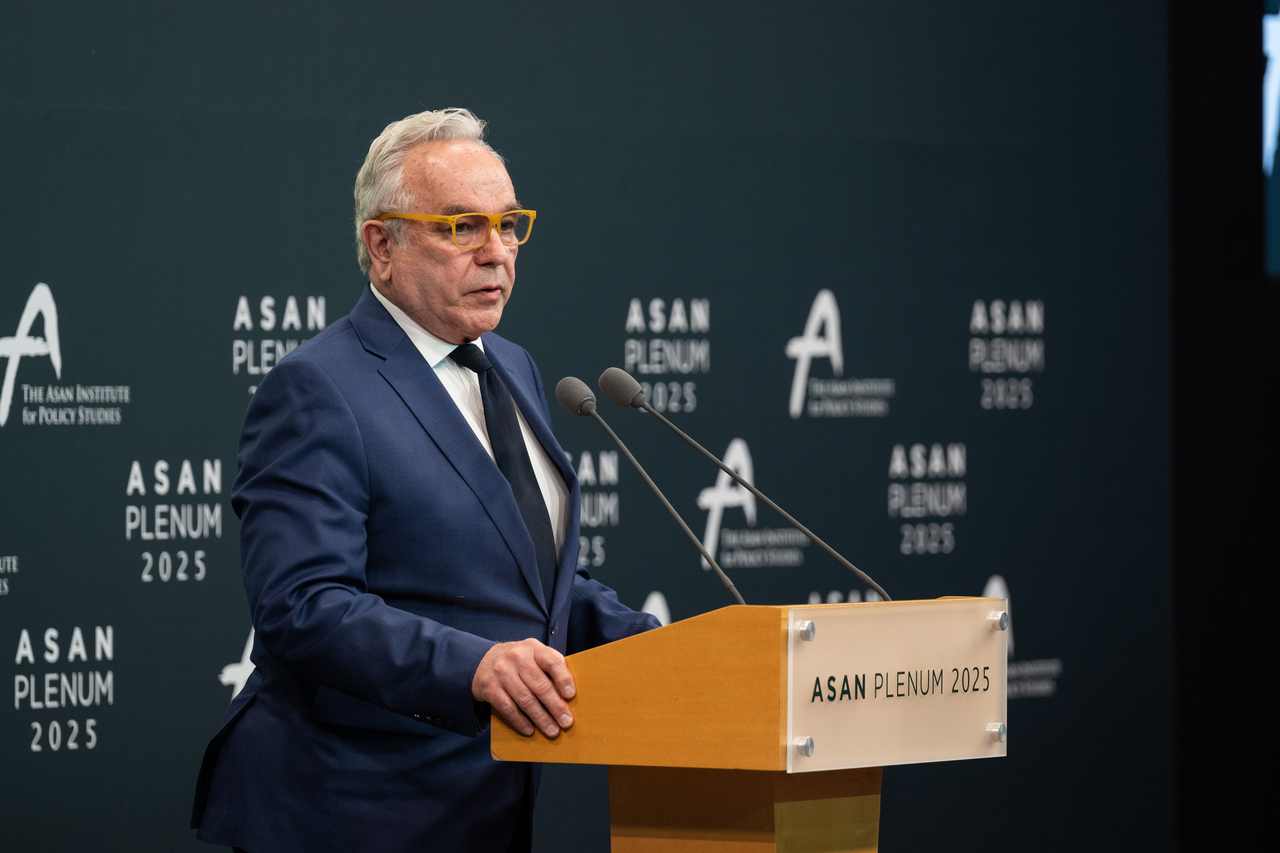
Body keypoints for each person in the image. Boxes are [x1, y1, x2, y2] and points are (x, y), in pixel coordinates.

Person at [191, 108, 661, 853]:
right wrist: (473, 665)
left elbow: (528, 586)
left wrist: (671, 649)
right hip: (350, 805)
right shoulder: (317, 388)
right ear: (382, 245)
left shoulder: (513, 366)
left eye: (509, 225)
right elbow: (302, 605)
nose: (497, 253)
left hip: (484, 802)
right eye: (462, 227)